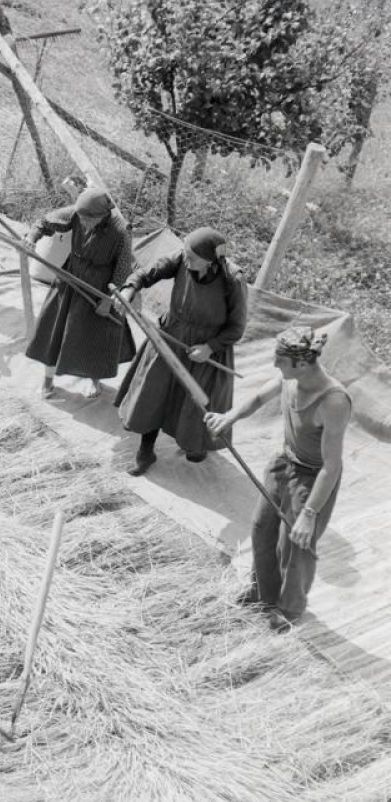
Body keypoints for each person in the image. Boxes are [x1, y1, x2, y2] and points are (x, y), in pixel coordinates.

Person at [205, 326, 351, 633]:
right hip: (283, 464)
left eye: (279, 360)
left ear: (302, 363)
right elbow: (259, 397)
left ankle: (289, 609)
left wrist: (309, 514)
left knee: (295, 547)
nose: (274, 365)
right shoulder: (290, 378)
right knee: (261, 529)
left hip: (313, 479)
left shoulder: (333, 401)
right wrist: (228, 417)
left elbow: (331, 467)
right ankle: (263, 593)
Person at [115, 227, 248, 475]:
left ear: (211, 261)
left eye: (193, 258)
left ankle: (194, 444)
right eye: (186, 254)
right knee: (154, 392)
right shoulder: (182, 258)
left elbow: (237, 327)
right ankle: (146, 450)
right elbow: (147, 273)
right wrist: (130, 287)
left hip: (207, 348)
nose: (187, 260)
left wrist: (210, 347)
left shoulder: (233, 280)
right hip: (171, 336)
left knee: (196, 401)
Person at [24, 187, 136, 398]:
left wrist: (108, 301)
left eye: (87, 220)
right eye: (81, 219)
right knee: (54, 328)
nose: (82, 223)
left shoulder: (121, 231)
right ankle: (47, 380)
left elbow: (123, 269)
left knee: (94, 337)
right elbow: (45, 222)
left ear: (102, 215)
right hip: (70, 277)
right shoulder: (77, 213)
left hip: (99, 287)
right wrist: (32, 237)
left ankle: (95, 381)